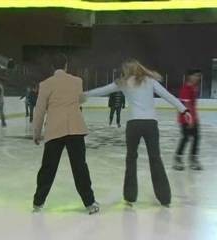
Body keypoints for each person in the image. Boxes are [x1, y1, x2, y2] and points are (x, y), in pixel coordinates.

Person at [86, 59, 191, 207]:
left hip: (134, 124)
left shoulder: (123, 82)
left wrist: (84, 94)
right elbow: (168, 96)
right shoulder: (150, 81)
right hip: (150, 124)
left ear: (127, 70)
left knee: (131, 159)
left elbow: (102, 90)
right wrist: (184, 110)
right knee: (155, 159)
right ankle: (165, 198)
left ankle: (130, 196)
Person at [32, 53, 99, 214]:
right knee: (80, 167)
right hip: (75, 129)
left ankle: (38, 203)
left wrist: (36, 132)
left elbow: (39, 110)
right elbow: (80, 99)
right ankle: (90, 203)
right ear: (66, 65)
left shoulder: (46, 84)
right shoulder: (77, 81)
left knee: (48, 168)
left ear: (52, 67)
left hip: (55, 130)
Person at [173, 69, 203, 171]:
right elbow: (186, 106)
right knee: (185, 138)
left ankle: (193, 158)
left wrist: (195, 119)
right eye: (196, 76)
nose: (198, 78)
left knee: (197, 138)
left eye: (199, 76)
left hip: (193, 118)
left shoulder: (193, 88)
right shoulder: (186, 89)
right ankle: (178, 158)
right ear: (190, 76)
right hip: (186, 119)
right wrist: (190, 120)